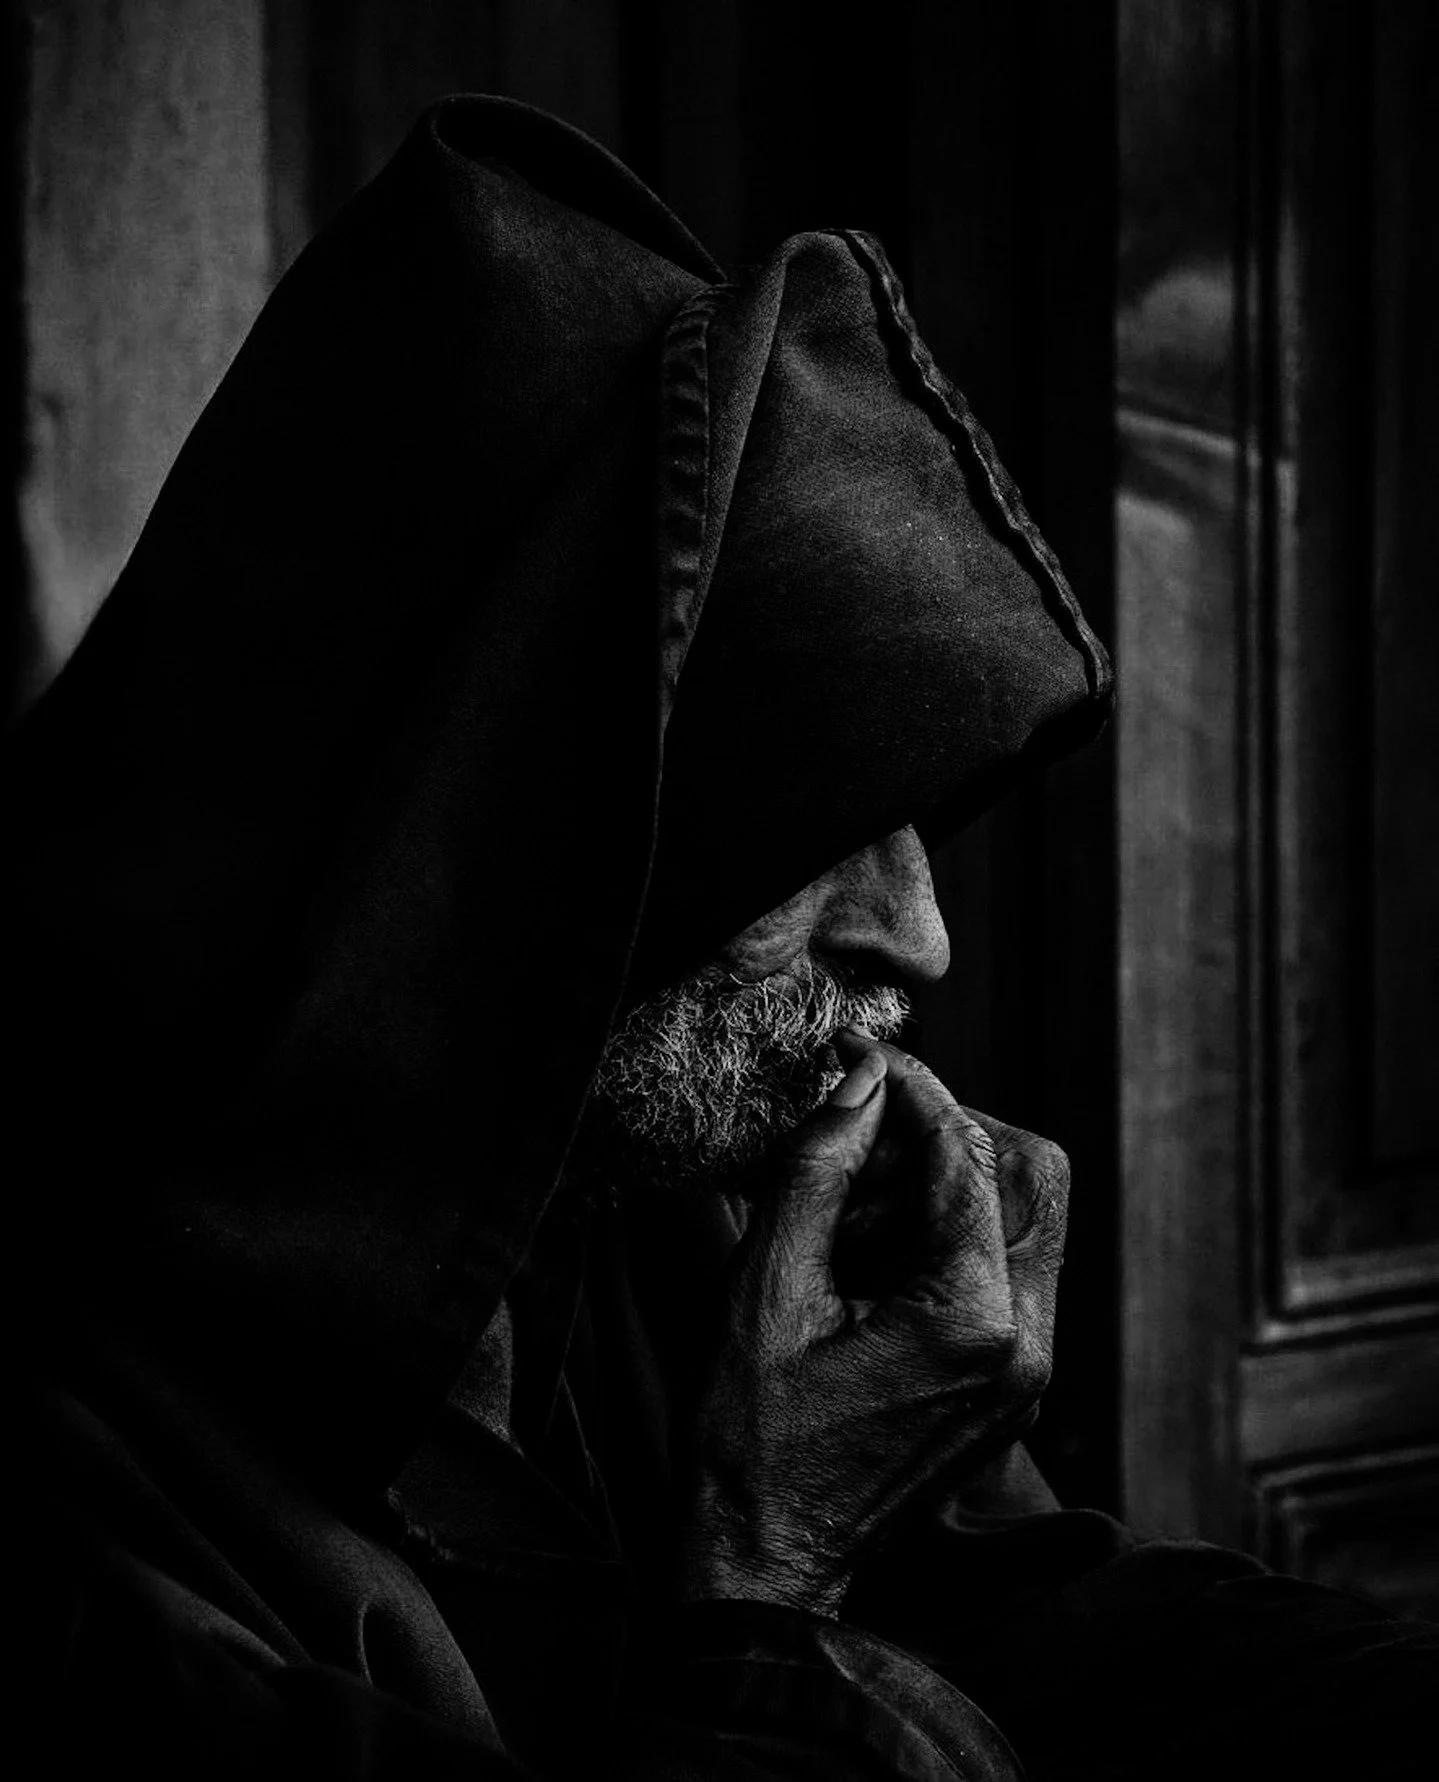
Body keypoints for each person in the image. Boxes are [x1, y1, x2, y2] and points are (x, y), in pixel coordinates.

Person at [10, 96, 1432, 1780]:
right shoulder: (67, 1507)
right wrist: (764, 1582)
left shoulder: (615, 1189)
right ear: (500, 828)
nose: (917, 933)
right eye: (800, 823)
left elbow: (1029, 1617)